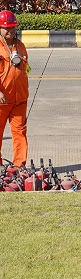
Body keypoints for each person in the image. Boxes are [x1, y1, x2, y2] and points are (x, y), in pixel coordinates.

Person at [0, 11, 29, 167]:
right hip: (2, 100)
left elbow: (26, 69)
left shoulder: (20, 46)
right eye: (6, 28)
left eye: (12, 27)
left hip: (19, 100)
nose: (10, 31)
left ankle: (19, 166)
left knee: (20, 133)